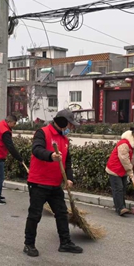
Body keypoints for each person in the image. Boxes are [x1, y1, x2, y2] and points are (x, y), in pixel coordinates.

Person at [23, 109, 83, 257]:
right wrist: (51, 156)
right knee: (35, 214)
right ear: (62, 122)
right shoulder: (42, 133)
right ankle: (28, 244)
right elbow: (37, 150)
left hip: (55, 184)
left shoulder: (65, 139)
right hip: (38, 182)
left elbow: (67, 162)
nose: (71, 127)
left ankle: (65, 242)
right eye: (70, 124)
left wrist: (69, 178)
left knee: (62, 213)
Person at [106, 127, 134, 216]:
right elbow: (124, 158)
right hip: (115, 169)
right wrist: (130, 171)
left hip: (123, 170)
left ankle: (121, 206)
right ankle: (120, 208)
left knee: (123, 188)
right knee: (118, 188)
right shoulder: (124, 143)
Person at [0, 115, 23, 205]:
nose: (14, 125)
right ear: (9, 122)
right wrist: (19, 158)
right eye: (14, 123)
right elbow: (10, 146)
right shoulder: (5, 131)